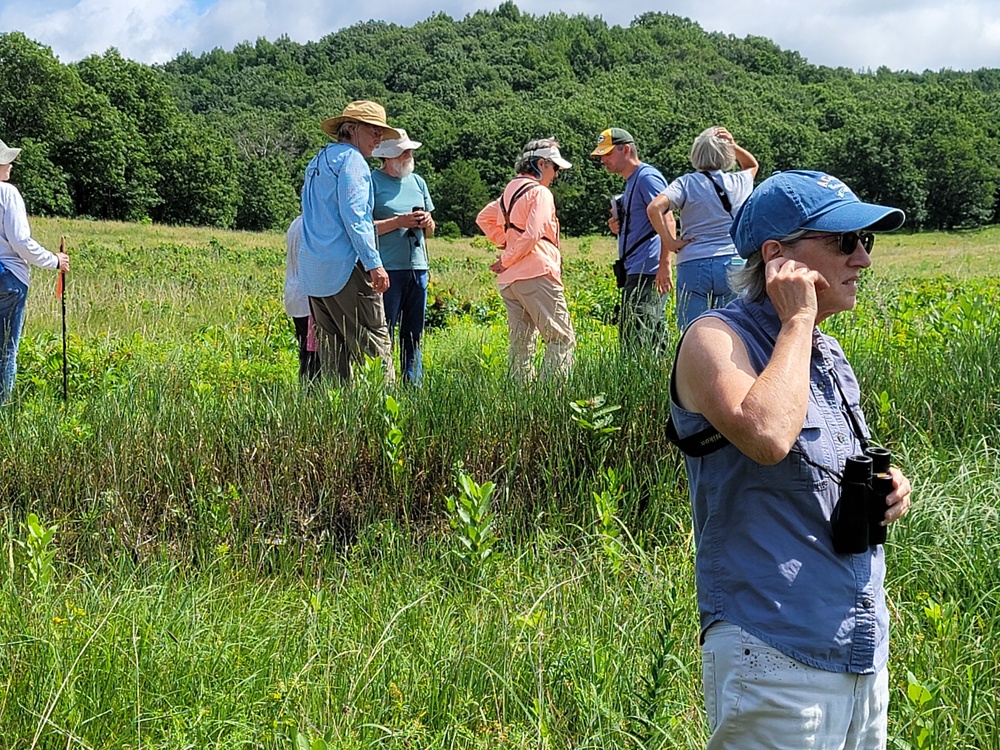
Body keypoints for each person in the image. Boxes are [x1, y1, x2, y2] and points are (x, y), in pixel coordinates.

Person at [668, 170, 913, 749]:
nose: (863, 260)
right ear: (777, 257)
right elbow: (768, 437)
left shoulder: (825, 351)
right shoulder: (714, 340)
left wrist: (889, 486)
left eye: (867, 242)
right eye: (843, 241)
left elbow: (825, 464)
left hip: (855, 644)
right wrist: (798, 318)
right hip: (773, 650)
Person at [298, 101, 401, 383]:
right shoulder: (353, 161)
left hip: (315, 274)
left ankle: (339, 421)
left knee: (333, 357)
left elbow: (308, 216)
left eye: (381, 132)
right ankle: (384, 418)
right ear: (352, 129)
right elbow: (356, 217)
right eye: (373, 130)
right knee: (374, 346)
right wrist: (374, 264)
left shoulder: (317, 161)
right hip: (347, 269)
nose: (378, 138)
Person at [476, 138, 576, 379]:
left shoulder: (508, 194)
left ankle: (520, 403)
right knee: (561, 339)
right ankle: (551, 400)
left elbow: (483, 218)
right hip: (537, 273)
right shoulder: (541, 193)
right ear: (541, 164)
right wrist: (507, 256)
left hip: (510, 282)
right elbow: (533, 234)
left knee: (521, 346)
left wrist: (504, 242)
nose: (556, 175)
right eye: (555, 168)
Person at [647, 126, 758, 329]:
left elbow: (654, 208)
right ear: (726, 155)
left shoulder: (686, 183)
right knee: (732, 329)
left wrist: (671, 242)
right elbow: (752, 165)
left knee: (691, 330)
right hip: (732, 260)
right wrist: (734, 146)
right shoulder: (739, 181)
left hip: (693, 261)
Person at [591, 127, 674, 352]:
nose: (603, 161)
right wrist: (618, 225)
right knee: (651, 337)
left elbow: (669, 221)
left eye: (607, 154)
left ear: (625, 149)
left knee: (636, 340)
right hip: (638, 269)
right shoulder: (633, 181)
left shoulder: (647, 178)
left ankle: (644, 384)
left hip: (647, 270)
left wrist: (665, 265)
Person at [0, 138, 70, 404]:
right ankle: (2, 415)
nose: (11, 164)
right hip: (8, 278)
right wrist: (54, 260)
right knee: (5, 351)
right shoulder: (7, 193)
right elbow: (20, 241)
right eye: (6, 160)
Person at [371, 130, 436, 384]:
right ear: (387, 156)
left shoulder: (418, 182)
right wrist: (399, 222)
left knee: (414, 334)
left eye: (409, 150)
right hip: (386, 269)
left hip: (418, 267)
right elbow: (364, 228)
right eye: (403, 151)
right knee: (383, 330)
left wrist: (427, 222)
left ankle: (413, 386)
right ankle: (383, 384)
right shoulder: (371, 182)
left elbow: (431, 231)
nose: (409, 155)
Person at [283, 215, 320, 381]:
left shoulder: (296, 223)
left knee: (307, 350)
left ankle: (307, 389)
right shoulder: (313, 225)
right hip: (309, 299)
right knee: (315, 353)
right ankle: (311, 392)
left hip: (296, 296)